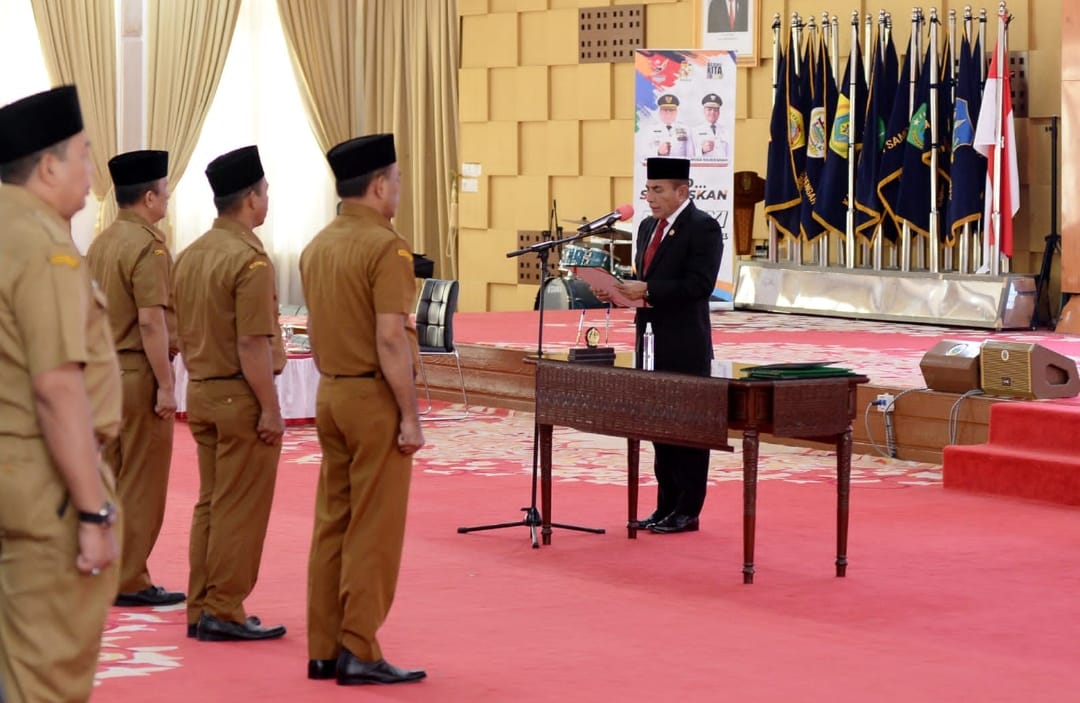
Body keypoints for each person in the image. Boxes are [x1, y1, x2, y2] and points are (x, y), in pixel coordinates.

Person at [0, 85, 122, 702]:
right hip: (39, 483)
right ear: (48, 165)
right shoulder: (44, 247)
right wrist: (93, 509)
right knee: (45, 679)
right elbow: (55, 386)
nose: (90, 170)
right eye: (84, 153)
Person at [301, 134, 426, 686]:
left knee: (333, 522)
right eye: (396, 180)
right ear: (379, 185)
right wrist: (411, 414)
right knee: (374, 527)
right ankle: (360, 647)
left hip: (329, 393)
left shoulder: (318, 244)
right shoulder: (386, 247)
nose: (398, 190)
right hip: (374, 397)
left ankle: (324, 646)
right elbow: (391, 340)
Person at [172, 145, 287, 641]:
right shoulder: (249, 261)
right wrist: (270, 408)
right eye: (265, 193)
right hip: (240, 397)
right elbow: (251, 342)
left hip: (199, 392)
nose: (267, 201)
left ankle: (201, 605)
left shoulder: (191, 253)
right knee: (240, 507)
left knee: (212, 504)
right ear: (249, 199)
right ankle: (225, 607)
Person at [602, 157, 723, 534]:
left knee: (686, 425)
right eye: (648, 190)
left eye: (658, 190)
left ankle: (688, 509)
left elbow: (700, 286)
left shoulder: (702, 227)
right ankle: (665, 505)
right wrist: (616, 292)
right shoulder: (646, 228)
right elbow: (643, 281)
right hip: (649, 339)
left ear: (681, 191)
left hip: (685, 340)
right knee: (658, 425)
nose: (650, 198)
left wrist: (649, 290)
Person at [86, 150, 185, 608]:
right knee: (143, 484)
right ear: (148, 196)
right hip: (137, 372)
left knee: (111, 477)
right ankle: (130, 579)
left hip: (102, 374)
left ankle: (106, 569)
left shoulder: (101, 243)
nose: (167, 198)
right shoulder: (149, 245)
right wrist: (166, 385)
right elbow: (151, 322)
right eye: (164, 190)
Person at [641, 94, 695, 158]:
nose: (668, 114)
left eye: (671, 110)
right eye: (665, 110)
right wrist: (658, 152)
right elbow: (643, 153)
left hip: (679, 165)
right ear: (660, 112)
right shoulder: (650, 130)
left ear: (676, 112)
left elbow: (691, 154)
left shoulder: (686, 129)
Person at [693, 93, 732, 161]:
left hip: (723, 169)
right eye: (709, 109)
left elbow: (731, 154)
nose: (713, 112)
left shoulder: (727, 131)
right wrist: (702, 150)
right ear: (704, 111)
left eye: (716, 110)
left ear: (719, 112)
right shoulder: (695, 131)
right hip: (704, 169)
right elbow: (689, 155)